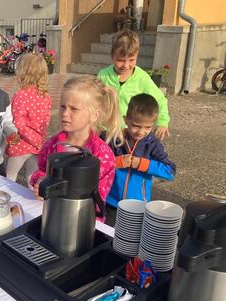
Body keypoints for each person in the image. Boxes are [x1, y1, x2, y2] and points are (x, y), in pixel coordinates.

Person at [30, 75, 123, 208]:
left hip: (83, 219)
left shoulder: (102, 155)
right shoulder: (52, 145)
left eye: (74, 109)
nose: (65, 113)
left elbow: (98, 198)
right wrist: (39, 181)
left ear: (94, 115)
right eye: (63, 106)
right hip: (49, 211)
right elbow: (41, 170)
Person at [106, 93, 176, 224]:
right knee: (107, 238)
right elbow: (100, 164)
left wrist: (143, 164)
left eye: (148, 127)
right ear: (126, 120)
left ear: (153, 125)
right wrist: (118, 162)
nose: (141, 131)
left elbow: (170, 172)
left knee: (132, 241)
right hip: (110, 202)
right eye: (136, 125)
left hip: (138, 206)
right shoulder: (115, 139)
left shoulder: (153, 144)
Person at [97, 29, 170, 141]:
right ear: (112, 56)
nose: (126, 65)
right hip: (106, 132)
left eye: (131, 60)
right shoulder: (103, 76)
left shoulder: (142, 78)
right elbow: (94, 102)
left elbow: (159, 99)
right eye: (121, 60)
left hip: (131, 132)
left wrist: (162, 122)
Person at [6, 54, 52, 183]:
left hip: (21, 144)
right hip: (38, 144)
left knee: (10, 177)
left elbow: (18, 122)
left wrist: (30, 139)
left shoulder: (21, 95)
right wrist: (38, 140)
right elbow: (46, 121)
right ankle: (33, 202)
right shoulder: (46, 96)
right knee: (32, 179)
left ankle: (9, 200)